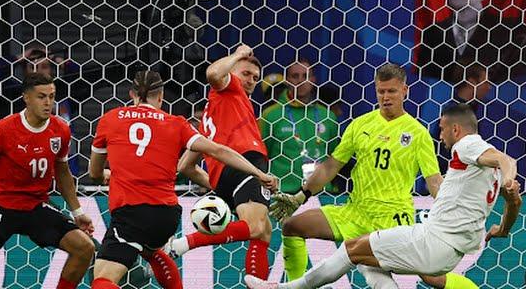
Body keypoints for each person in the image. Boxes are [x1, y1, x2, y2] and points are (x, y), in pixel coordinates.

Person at [245, 103, 522, 289]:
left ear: (455, 129)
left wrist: (509, 175)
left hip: (433, 239)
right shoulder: (486, 173)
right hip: (448, 248)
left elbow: (505, 159)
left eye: (441, 129)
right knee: (369, 263)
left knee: (352, 249)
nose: (440, 136)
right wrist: (502, 229)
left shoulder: (468, 145)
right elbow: (514, 201)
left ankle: (285, 288)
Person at [268, 64, 476, 289]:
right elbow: (331, 167)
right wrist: (301, 196)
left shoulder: (418, 133)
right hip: (355, 212)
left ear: (404, 90)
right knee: (293, 226)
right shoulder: (360, 125)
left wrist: (453, 214)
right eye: (381, 91)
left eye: (392, 91)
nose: (386, 97)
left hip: (392, 218)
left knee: (431, 277)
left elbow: (433, 180)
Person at [87, 70, 277, 289]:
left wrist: (107, 175)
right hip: (166, 215)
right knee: (152, 250)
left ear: (132, 94)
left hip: (130, 211)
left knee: (102, 278)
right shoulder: (176, 123)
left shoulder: (110, 119)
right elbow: (218, 150)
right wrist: (259, 173)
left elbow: (94, 173)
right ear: (161, 97)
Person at [0, 72, 95, 289]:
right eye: (41, 97)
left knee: (84, 248)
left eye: (51, 96)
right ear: (26, 98)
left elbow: (63, 172)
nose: (48, 102)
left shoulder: (60, 130)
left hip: (36, 205)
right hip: (2, 204)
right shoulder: (4, 128)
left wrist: (77, 212)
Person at [165, 44, 273, 280]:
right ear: (231, 72)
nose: (251, 81)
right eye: (246, 73)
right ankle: (183, 244)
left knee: (264, 231)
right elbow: (213, 73)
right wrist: (238, 54)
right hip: (247, 162)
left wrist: (218, 184)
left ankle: (257, 284)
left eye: (256, 78)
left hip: (225, 178)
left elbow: (185, 166)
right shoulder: (229, 89)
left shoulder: (211, 113)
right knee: (255, 227)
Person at [259, 58, 339, 279]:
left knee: (323, 263)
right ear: (286, 80)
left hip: (322, 197)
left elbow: (335, 158)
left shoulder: (328, 117)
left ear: (313, 80)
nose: (301, 82)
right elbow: (261, 156)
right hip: (283, 199)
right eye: (295, 76)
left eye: (305, 76)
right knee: (284, 259)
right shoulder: (271, 115)